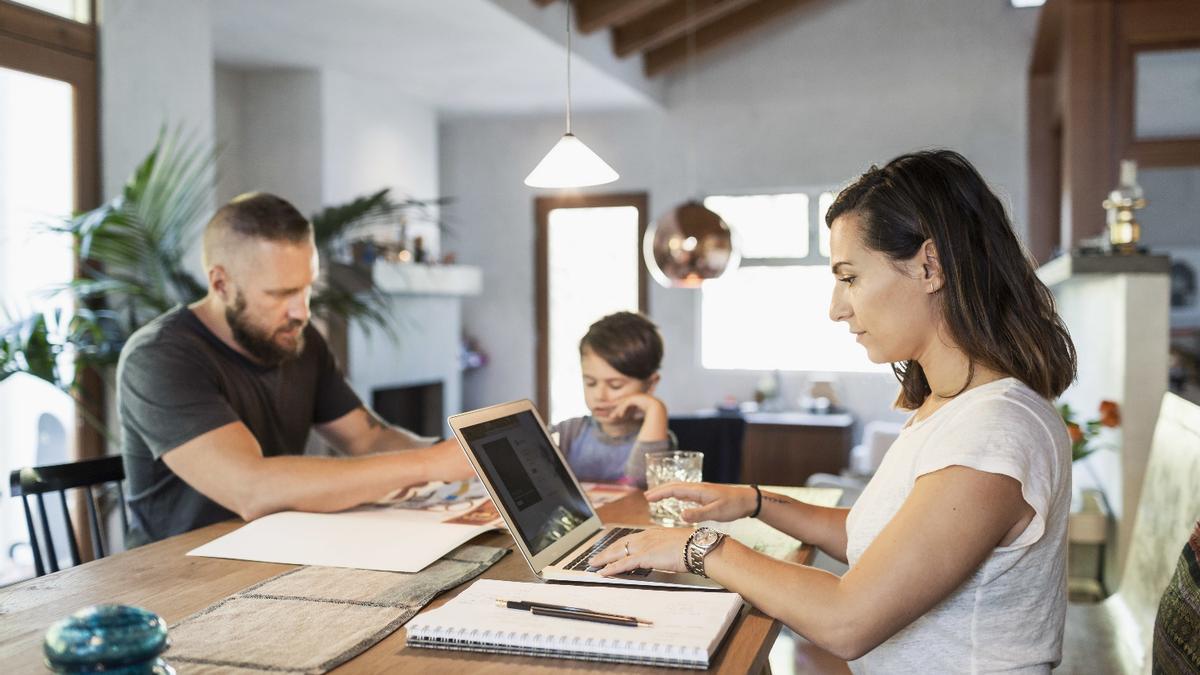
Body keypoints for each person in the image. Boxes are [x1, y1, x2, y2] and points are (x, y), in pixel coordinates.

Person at [591, 150, 1078, 672]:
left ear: (929, 266)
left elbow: (847, 621)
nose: (836, 307)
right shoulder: (952, 407)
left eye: (849, 277)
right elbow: (873, 538)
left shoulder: (993, 428)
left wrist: (699, 547)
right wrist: (753, 501)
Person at [118, 192, 474, 546]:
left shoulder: (296, 341)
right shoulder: (158, 357)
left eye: (305, 289)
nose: (301, 312)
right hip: (181, 576)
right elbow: (251, 488)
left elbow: (368, 438)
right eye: (280, 293)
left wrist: (463, 462)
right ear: (221, 284)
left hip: (280, 549)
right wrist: (428, 464)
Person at [552, 311, 675, 486]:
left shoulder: (657, 439)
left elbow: (637, 482)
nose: (599, 396)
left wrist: (656, 408)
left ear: (650, 384)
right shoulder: (569, 432)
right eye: (590, 383)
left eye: (615, 385)